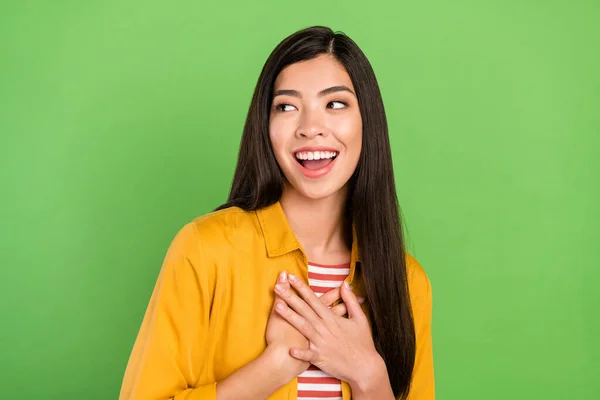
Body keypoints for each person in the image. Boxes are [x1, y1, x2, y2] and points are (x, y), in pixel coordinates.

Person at [119, 25, 434, 400]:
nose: (310, 128)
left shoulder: (406, 282)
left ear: (368, 121)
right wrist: (277, 365)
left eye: (335, 104)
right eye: (287, 106)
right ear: (265, 126)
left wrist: (368, 375)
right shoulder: (205, 250)